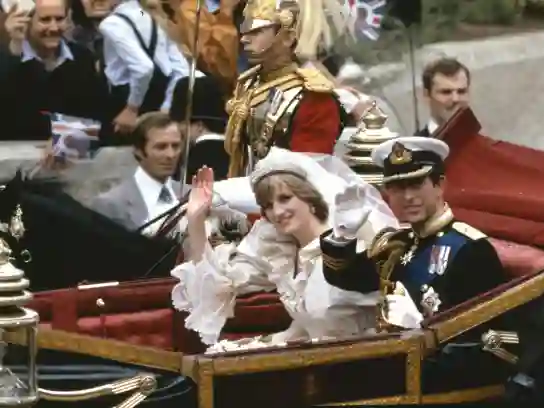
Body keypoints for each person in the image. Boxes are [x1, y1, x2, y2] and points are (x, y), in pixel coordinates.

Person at [170, 147, 399, 350]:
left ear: (309, 197)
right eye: (268, 205)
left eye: (286, 198)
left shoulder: (350, 247)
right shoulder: (282, 251)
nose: (277, 212)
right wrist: (196, 220)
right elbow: (217, 283)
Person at [319, 136, 507, 331]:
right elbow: (346, 278)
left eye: (416, 185)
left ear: (439, 185)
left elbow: (491, 339)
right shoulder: (397, 246)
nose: (408, 197)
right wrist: (342, 233)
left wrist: (423, 330)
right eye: (398, 188)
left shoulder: (470, 250)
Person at [224, 0, 352, 177]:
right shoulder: (248, 83)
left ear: (287, 38)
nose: (244, 38)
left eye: (256, 31)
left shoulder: (313, 97)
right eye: (246, 31)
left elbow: (307, 175)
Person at [0, 0, 106, 141]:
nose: (54, 27)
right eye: (45, 20)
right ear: (25, 22)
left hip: (70, 157)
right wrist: (14, 54)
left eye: (59, 19)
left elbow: (96, 119)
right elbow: (9, 119)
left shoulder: (82, 57)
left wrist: (64, 138)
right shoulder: (7, 60)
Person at [98, 0, 189, 144]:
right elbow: (182, 70)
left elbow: (143, 68)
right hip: (158, 104)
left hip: (124, 104)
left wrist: (132, 108)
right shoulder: (151, 17)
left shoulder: (111, 24)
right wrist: (165, 108)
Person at [91, 112, 186, 234]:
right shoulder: (110, 204)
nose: (171, 155)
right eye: (161, 147)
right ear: (138, 151)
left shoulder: (193, 195)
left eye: (176, 146)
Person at [169, 74, 230, 182]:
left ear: (199, 126)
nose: (178, 128)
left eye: (181, 123)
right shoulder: (240, 157)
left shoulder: (187, 166)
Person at [415, 57, 471, 137]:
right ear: (427, 95)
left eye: (461, 92)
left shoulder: (487, 147)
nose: (455, 99)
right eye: (446, 92)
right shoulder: (414, 148)